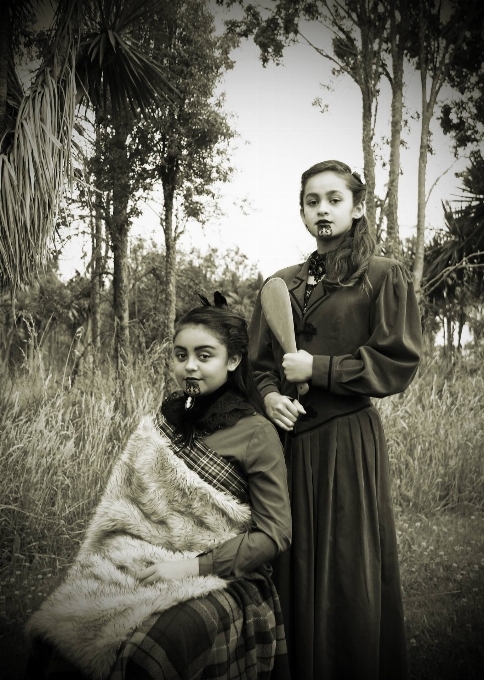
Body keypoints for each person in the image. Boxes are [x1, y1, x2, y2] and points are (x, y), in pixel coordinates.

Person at [25, 295, 291, 680]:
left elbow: (275, 533)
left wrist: (190, 566)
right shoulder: (168, 418)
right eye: (180, 355)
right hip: (138, 558)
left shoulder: (255, 433)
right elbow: (131, 507)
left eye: (204, 355)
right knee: (61, 628)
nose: (189, 367)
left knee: (149, 651)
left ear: (233, 361)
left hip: (222, 575)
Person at [249, 160, 423, 680]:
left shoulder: (382, 276)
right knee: (289, 563)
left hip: (348, 441)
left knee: (347, 568)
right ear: (301, 210)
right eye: (312, 201)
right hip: (288, 449)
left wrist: (318, 368)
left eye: (334, 199)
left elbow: (397, 361)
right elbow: (257, 367)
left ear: (357, 206)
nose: (322, 210)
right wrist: (268, 399)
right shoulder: (279, 283)